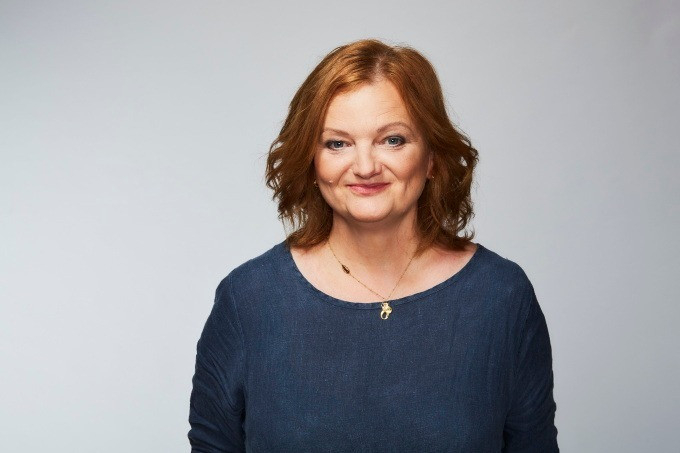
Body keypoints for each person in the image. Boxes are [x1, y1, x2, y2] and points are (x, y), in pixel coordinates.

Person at [188, 39, 559, 452]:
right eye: (337, 143)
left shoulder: (501, 297)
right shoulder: (249, 300)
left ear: (432, 157)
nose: (365, 167)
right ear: (311, 161)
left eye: (392, 140)